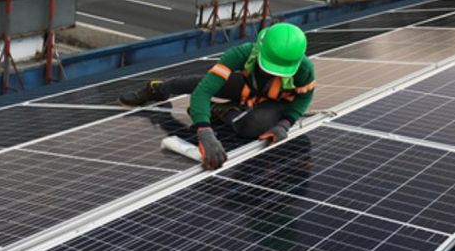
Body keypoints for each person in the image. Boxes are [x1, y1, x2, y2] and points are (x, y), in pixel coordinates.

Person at [119, 22, 315, 170]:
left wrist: (285, 124)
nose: (274, 73)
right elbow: (203, 91)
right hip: (246, 88)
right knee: (193, 84)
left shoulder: (304, 69)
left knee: (251, 127)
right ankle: (157, 89)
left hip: (273, 104)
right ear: (261, 49)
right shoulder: (242, 54)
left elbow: (303, 98)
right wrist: (205, 133)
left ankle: (220, 110)